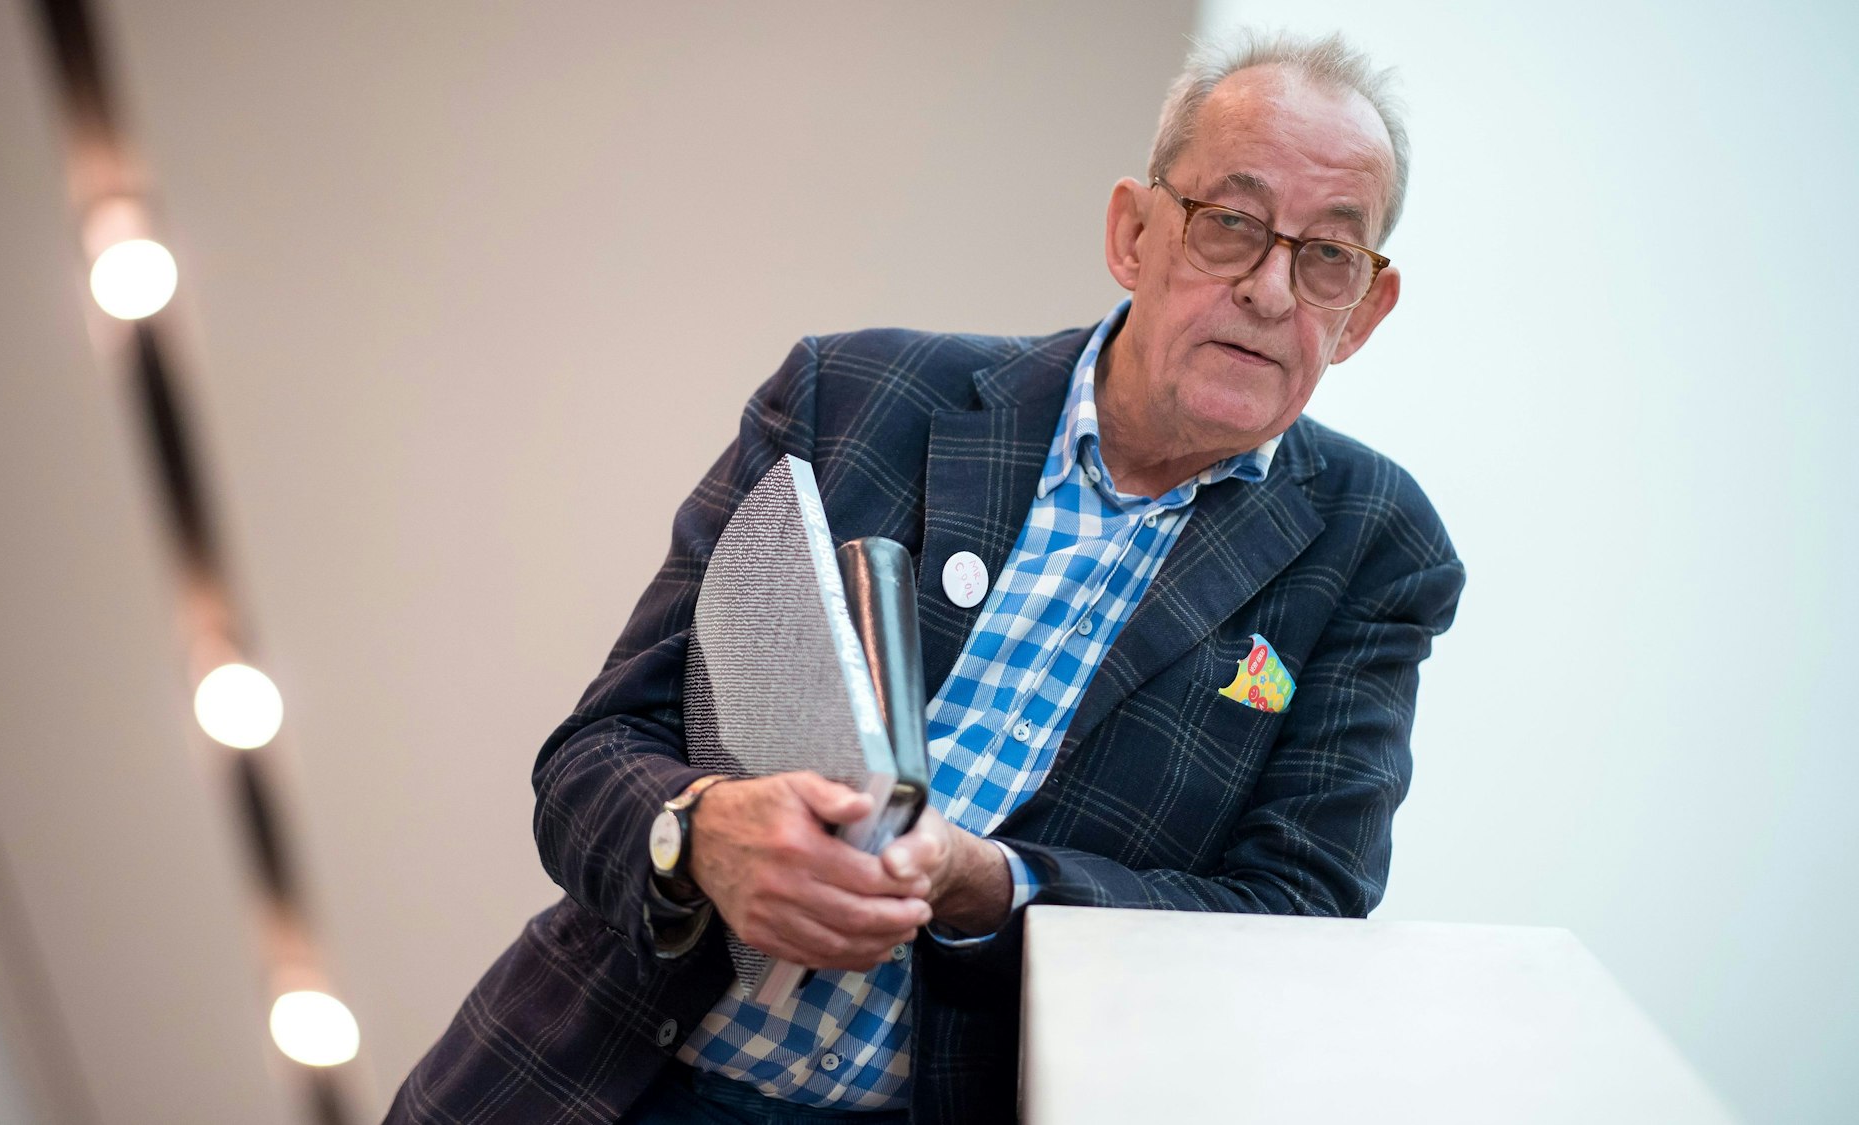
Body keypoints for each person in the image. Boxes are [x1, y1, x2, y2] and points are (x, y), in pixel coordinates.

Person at [387, 28, 1464, 1125]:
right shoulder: (852, 396)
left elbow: (1294, 919)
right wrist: (701, 833)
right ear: (1132, 234)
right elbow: (590, 758)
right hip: (599, 1076)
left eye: (1327, 255)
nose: (1272, 290)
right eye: (1230, 225)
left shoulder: (1371, 547)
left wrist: (985, 884)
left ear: (1362, 312)